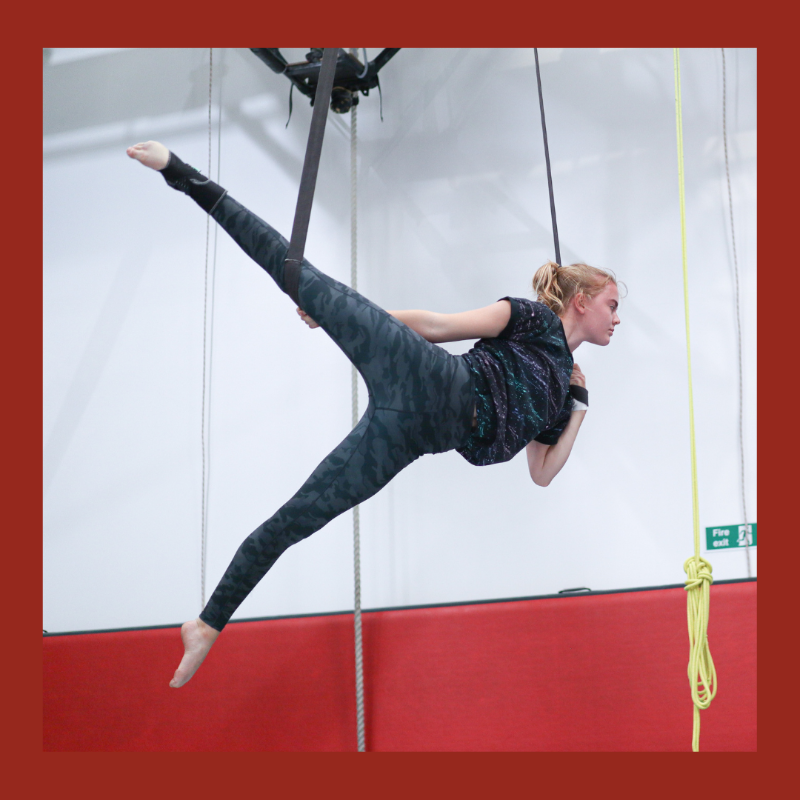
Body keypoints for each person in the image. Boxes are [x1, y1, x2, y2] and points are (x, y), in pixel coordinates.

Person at [126, 141, 622, 688]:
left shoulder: (561, 396)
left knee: (299, 517)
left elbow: (542, 472)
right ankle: (180, 172)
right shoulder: (532, 321)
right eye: (612, 305)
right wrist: (349, 315)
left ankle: (206, 623)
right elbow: (439, 326)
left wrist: (579, 407)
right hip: (426, 372)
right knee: (295, 273)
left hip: (408, 436)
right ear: (582, 301)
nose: (616, 319)